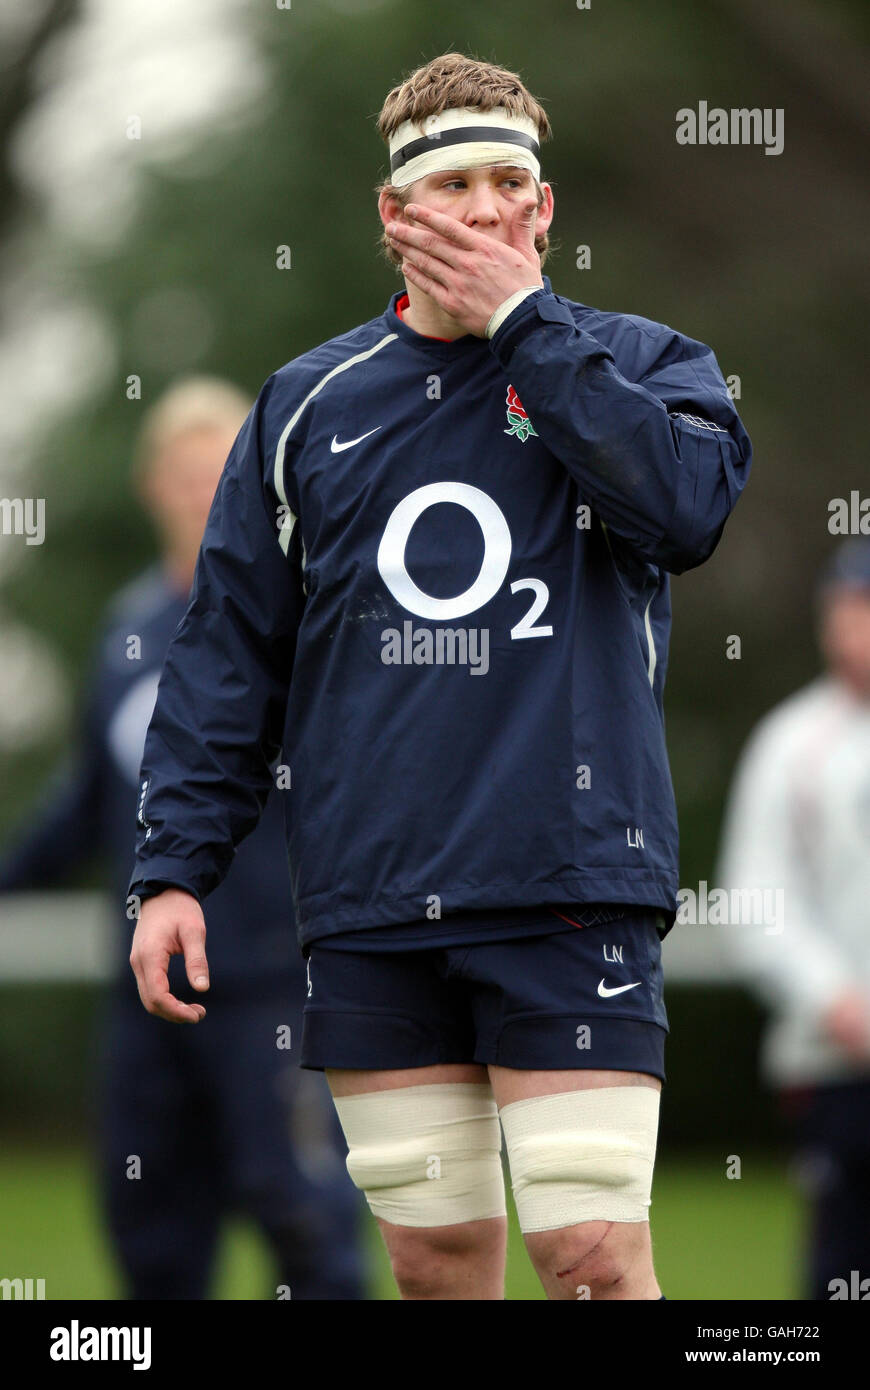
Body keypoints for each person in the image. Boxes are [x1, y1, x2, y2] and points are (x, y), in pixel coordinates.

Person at [128, 53, 752, 1301]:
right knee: (433, 1266)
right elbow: (226, 656)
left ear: (544, 207)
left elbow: (685, 511)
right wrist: (171, 870)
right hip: (374, 904)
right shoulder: (308, 405)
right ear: (392, 214)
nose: (480, 207)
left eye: (504, 181)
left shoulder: (643, 363)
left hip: (570, 890)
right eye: (451, 182)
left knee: (588, 1260)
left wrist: (529, 329)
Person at [0, 377, 364, 1300]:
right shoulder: (127, 632)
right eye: (184, 472)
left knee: (308, 1226)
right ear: (151, 485)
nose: (203, 491)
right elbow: (88, 803)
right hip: (146, 999)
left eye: (221, 471)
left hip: (271, 990)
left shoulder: (304, 621)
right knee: (151, 1232)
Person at [716, 537, 870, 1301]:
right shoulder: (790, 744)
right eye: (848, 609)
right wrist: (838, 1003)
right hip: (840, 1066)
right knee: (843, 1271)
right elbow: (758, 901)